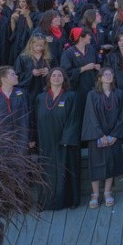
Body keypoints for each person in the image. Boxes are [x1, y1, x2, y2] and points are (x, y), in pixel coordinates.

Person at [35, 68, 81, 211]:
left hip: (65, 142)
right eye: (53, 75)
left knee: (67, 170)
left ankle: (70, 201)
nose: (56, 78)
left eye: (59, 75)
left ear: (64, 79)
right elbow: (36, 120)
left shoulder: (71, 96)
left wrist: (66, 139)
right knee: (46, 171)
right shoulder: (40, 98)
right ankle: (45, 202)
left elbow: (74, 119)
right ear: (48, 79)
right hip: (46, 141)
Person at [82, 66, 123, 208]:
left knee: (111, 163)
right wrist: (101, 135)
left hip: (114, 135)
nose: (108, 76)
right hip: (97, 136)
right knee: (96, 164)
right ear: (99, 78)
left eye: (110, 74)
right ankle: (94, 194)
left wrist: (114, 134)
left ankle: (107, 192)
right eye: (105, 74)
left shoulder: (118, 93)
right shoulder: (92, 95)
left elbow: (122, 115)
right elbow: (91, 116)